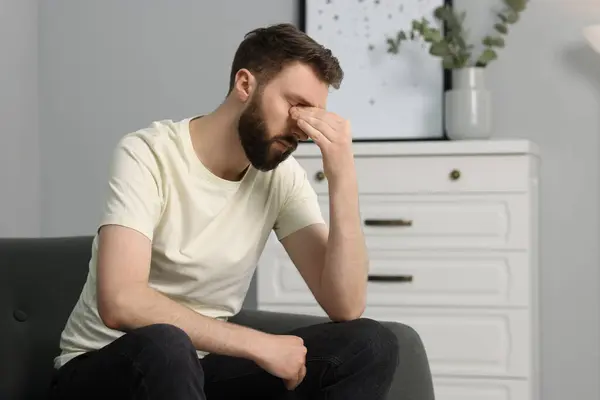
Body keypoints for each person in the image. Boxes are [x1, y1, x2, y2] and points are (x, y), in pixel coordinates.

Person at [48, 23, 399, 400]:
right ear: (245, 85)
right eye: (295, 106)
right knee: (168, 346)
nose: (303, 130)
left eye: (314, 116)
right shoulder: (148, 154)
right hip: (103, 367)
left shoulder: (282, 180)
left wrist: (342, 174)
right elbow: (120, 301)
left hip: (200, 369)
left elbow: (345, 304)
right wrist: (255, 343)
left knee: (370, 343)